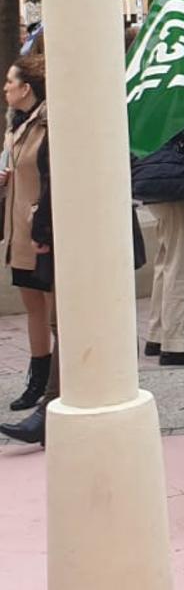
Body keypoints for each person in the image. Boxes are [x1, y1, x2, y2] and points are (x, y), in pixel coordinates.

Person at [1, 54, 53, 413]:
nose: (5, 87)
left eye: (10, 81)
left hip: (42, 231)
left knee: (53, 309)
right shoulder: (14, 124)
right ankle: (37, 378)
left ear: (26, 88)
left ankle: (54, 384)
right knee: (31, 304)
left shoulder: (48, 123)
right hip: (19, 230)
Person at [132, 123, 184, 366]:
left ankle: (158, 333)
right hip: (179, 184)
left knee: (167, 259)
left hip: (157, 179)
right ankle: (179, 343)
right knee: (182, 262)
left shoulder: (163, 94)